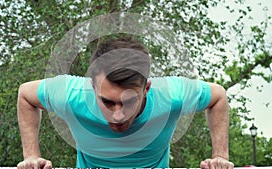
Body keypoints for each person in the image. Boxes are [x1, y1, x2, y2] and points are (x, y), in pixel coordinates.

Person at [17, 38, 234, 169]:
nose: (118, 116)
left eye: (129, 102)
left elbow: (217, 96)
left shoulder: (171, 95)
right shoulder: (71, 94)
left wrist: (220, 157)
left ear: (146, 89)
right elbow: (26, 95)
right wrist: (32, 156)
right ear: (92, 87)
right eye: (107, 102)